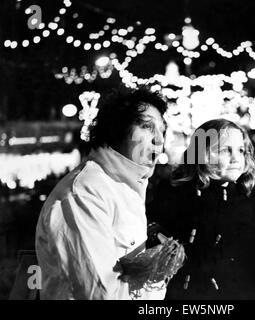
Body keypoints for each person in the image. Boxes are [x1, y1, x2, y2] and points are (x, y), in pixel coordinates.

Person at [35, 86, 172, 300]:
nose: (160, 140)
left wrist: (156, 270)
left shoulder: (125, 186)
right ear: (117, 130)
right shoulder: (85, 191)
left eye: (162, 130)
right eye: (147, 126)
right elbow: (98, 292)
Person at [148, 119, 255, 299]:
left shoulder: (244, 203)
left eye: (241, 150)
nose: (236, 158)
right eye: (225, 150)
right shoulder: (175, 194)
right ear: (201, 153)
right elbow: (150, 226)